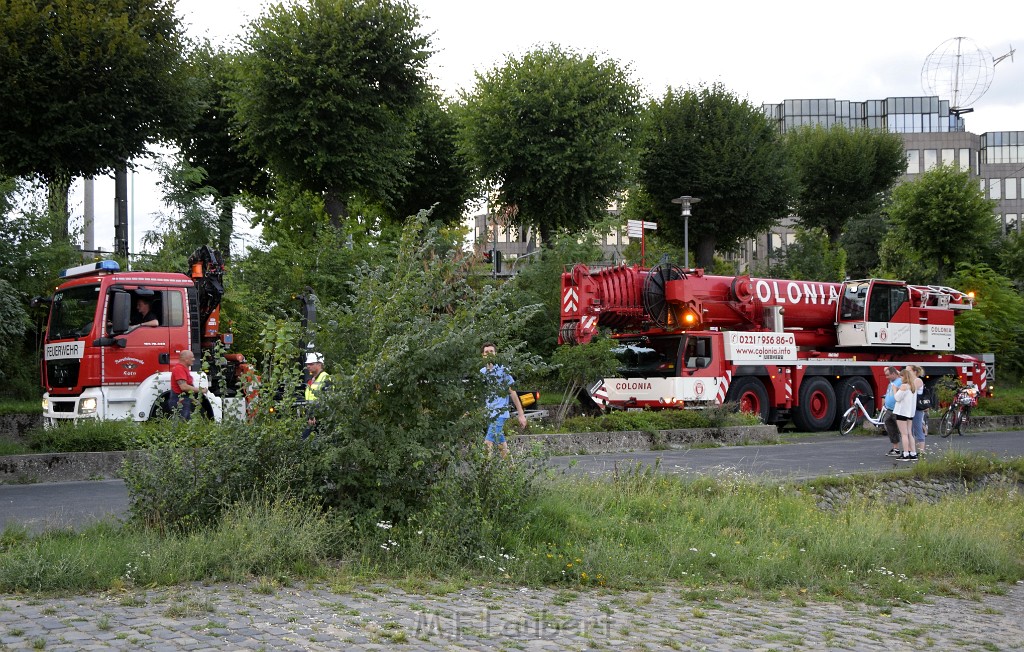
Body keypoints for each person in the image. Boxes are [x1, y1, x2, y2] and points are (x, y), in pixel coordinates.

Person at [481, 342, 527, 458]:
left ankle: (485, 471)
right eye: (487, 352)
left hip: (500, 413)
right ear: (483, 355)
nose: (489, 354)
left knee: (488, 442)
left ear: (495, 354)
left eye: (491, 351)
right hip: (489, 413)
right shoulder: (481, 373)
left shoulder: (502, 370)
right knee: (501, 444)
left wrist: (521, 414)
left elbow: (512, 392)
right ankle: (511, 471)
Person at [168, 349, 206, 420]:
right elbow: (184, 387)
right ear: (186, 359)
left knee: (185, 425)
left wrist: (193, 399)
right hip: (180, 401)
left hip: (184, 400)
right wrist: (201, 390)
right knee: (181, 425)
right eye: (192, 357)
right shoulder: (179, 369)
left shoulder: (183, 369)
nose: (194, 359)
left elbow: (185, 390)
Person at [302, 352, 331, 440]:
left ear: (319, 364)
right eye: (307, 364)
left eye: (311, 364)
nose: (308, 366)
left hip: (320, 418)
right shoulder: (312, 380)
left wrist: (314, 415)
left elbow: (325, 400)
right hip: (312, 418)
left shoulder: (325, 378)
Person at [893, 367, 918, 461]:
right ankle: (913, 453)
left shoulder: (904, 386)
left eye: (901, 377)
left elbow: (897, 398)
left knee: (903, 434)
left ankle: (905, 453)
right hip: (910, 413)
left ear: (904, 377)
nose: (900, 378)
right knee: (909, 433)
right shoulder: (913, 386)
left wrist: (895, 389)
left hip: (901, 412)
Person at [881, 366, 902, 457]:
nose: (886, 377)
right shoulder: (892, 381)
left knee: (902, 430)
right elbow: (888, 368)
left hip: (897, 409)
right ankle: (895, 448)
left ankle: (908, 450)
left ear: (894, 374)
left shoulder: (900, 381)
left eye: (888, 375)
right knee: (891, 429)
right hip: (889, 409)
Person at [910, 365, 929, 456]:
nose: (907, 372)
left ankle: (921, 450)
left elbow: (912, 390)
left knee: (917, 427)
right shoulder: (911, 381)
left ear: (915, 372)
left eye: (908, 370)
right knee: (910, 429)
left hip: (917, 407)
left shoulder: (918, 380)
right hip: (911, 407)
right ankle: (911, 449)